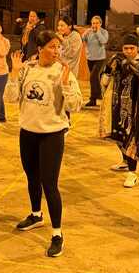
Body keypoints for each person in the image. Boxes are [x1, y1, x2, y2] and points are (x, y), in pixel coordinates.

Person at [5, 30, 82, 258]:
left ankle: (57, 234)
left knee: (49, 184)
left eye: (58, 47)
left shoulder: (63, 72)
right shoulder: (27, 69)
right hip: (28, 133)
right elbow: (10, 98)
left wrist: (66, 84)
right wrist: (13, 73)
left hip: (52, 135)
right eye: (52, 46)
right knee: (32, 178)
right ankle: (36, 215)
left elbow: (76, 105)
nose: (56, 51)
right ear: (39, 49)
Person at [99, 34, 139, 188]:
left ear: (138, 48)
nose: (129, 51)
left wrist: (135, 66)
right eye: (126, 48)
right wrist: (108, 69)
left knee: (132, 140)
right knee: (119, 135)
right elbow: (104, 80)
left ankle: (132, 173)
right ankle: (125, 161)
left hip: (135, 110)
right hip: (118, 106)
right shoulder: (118, 61)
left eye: (132, 48)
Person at [82, 14, 109, 108]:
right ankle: (94, 100)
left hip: (100, 58)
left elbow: (103, 41)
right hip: (90, 58)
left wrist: (97, 32)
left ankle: (95, 96)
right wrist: (85, 33)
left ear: (100, 24)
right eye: (93, 23)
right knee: (95, 79)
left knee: (93, 76)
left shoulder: (104, 32)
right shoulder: (89, 32)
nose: (95, 25)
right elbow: (82, 39)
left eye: (97, 23)